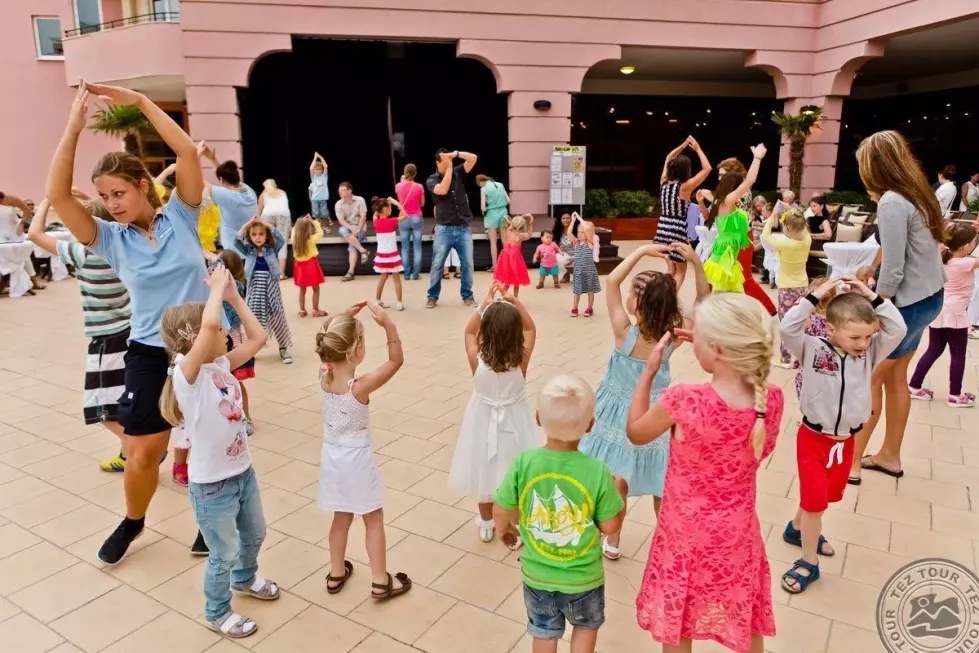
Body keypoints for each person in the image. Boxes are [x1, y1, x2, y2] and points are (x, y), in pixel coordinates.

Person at [46, 82, 211, 564]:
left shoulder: (182, 213)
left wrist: (139, 102)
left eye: (119, 192)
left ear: (144, 186)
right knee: (141, 452)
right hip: (147, 351)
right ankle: (134, 521)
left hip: (203, 344)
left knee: (207, 442)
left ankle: (210, 520)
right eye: (104, 196)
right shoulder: (110, 239)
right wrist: (74, 128)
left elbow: (183, 149)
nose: (112, 203)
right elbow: (57, 194)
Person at [626, 293, 783, 653]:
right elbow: (763, 449)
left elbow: (635, 433)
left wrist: (647, 374)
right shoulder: (770, 399)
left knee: (679, 620)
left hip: (685, 532)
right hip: (738, 532)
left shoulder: (684, 399)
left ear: (716, 351)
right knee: (745, 617)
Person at [158, 267, 280, 638]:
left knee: (256, 533)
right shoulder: (187, 376)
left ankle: (244, 579)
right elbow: (209, 328)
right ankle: (217, 611)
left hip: (243, 472)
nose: (228, 332)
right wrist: (213, 292)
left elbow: (258, 337)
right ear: (196, 339)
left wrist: (233, 298)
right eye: (221, 327)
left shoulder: (220, 365)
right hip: (212, 486)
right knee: (222, 553)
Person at [579, 242, 708, 560]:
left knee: (614, 477)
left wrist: (641, 252)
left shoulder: (624, 331)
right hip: (653, 413)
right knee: (659, 478)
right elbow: (702, 303)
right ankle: (669, 540)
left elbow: (610, 281)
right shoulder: (672, 337)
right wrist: (695, 265)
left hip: (614, 412)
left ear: (637, 305)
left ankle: (611, 536)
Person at [779, 277, 905, 594]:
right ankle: (808, 561)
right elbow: (788, 327)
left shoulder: (871, 354)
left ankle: (797, 529)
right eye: (855, 336)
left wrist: (870, 295)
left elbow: (898, 329)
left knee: (825, 497)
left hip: (845, 442)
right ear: (831, 328)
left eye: (868, 336)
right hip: (812, 440)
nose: (863, 343)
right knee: (815, 503)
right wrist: (815, 295)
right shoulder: (810, 347)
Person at [494, 374, 627, 653]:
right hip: (584, 579)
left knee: (543, 632)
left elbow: (502, 507)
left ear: (538, 418)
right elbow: (610, 526)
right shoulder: (597, 471)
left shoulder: (524, 462)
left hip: (537, 576)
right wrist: (620, 498)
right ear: (590, 425)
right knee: (585, 628)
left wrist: (503, 529)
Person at [850, 131, 946, 484]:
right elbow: (900, 251)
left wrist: (878, 307)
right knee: (894, 378)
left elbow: (894, 267)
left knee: (869, 379)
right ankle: (889, 455)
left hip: (907, 304)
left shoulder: (891, 200)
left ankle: (853, 462)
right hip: (929, 298)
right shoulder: (918, 195)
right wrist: (872, 270)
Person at [27, 198, 135, 472]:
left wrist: (48, 200)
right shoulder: (124, 248)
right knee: (121, 399)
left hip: (106, 341)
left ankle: (137, 448)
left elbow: (34, 234)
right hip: (130, 332)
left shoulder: (82, 254)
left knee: (99, 408)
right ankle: (127, 454)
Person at [316, 303, 413, 600]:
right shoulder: (359, 386)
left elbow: (333, 345)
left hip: (331, 457)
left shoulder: (324, 374)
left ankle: (335, 573)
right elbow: (396, 361)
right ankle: (381, 580)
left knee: (341, 516)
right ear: (355, 352)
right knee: (373, 518)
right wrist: (389, 326)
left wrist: (342, 318)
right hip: (356, 459)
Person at [449, 282, 538, 544]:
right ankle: (514, 523)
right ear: (515, 334)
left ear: (486, 331)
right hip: (515, 422)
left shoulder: (477, 357)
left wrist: (484, 304)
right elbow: (531, 327)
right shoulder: (521, 357)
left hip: (482, 420)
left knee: (483, 470)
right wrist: (514, 301)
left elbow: (468, 332)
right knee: (514, 470)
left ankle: (486, 523)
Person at [698, 147, 777, 317]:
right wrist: (703, 202)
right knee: (718, 278)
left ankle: (768, 309)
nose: (719, 178)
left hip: (739, 240)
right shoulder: (724, 195)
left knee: (741, 278)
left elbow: (748, 182)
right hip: (725, 241)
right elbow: (710, 218)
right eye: (719, 175)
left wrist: (757, 158)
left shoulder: (738, 193)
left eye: (722, 175)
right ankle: (711, 311)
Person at [909, 222, 979, 407]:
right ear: (965, 246)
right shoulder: (965, 262)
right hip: (955, 315)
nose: (975, 244)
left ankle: (915, 386)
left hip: (939, 311)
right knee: (958, 355)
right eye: (974, 242)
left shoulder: (942, 257)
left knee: (933, 350)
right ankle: (955, 396)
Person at [654, 136, 712, 288]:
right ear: (686, 171)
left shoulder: (664, 181)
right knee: (681, 271)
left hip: (662, 228)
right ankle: (668, 301)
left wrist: (683, 144)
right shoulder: (684, 187)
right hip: (677, 230)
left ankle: (659, 297)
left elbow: (668, 157)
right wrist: (698, 149)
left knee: (670, 268)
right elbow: (707, 169)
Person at [234, 217, 294, 364]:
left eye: (261, 234)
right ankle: (252, 348)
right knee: (253, 319)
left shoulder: (272, 249)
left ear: (267, 235)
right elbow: (236, 240)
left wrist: (266, 224)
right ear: (249, 236)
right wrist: (248, 224)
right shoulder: (248, 251)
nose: (258, 237)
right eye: (254, 234)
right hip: (255, 288)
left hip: (271, 287)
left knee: (277, 318)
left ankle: (283, 347)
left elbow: (280, 238)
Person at [426, 148, 478, 309]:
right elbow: (443, 189)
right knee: (437, 264)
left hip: (463, 227)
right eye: (445, 161)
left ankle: (467, 295)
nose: (449, 164)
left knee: (468, 264)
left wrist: (454, 155)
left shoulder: (458, 171)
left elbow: (473, 157)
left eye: (450, 162)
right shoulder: (431, 180)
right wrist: (449, 169)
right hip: (444, 229)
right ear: (437, 163)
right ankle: (432, 296)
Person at [762, 208, 811, 367]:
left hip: (787, 288)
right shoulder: (807, 240)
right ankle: (802, 355)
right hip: (803, 286)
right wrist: (792, 212)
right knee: (802, 320)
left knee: (786, 324)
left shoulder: (785, 243)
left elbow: (765, 235)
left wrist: (772, 216)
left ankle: (787, 359)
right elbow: (802, 229)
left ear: (788, 228)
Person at [215, 250, 255, 434]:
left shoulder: (235, 285)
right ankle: (228, 416)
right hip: (223, 339)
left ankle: (246, 419)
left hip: (235, 340)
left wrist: (214, 260)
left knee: (237, 383)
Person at [199, 147, 257, 251]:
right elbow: (224, 177)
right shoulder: (247, 190)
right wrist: (213, 160)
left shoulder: (230, 197)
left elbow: (199, 182)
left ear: (221, 179)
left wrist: (196, 157)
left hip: (235, 253)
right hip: (251, 250)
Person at [793, 276, 830, 399]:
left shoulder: (807, 318)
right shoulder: (837, 320)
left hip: (808, 364)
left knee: (806, 397)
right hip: (829, 366)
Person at [372, 197, 408, 311]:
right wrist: (397, 202)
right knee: (396, 278)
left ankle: (377, 300)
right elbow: (405, 215)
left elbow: (375, 214)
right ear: (386, 209)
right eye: (390, 207)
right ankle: (399, 303)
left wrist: (380, 204)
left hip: (381, 256)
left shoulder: (376, 222)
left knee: (383, 277)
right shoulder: (392, 221)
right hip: (392, 255)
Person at [291, 215, 326, 318]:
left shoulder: (294, 239)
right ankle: (315, 310)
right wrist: (313, 221)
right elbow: (320, 232)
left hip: (299, 266)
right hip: (311, 265)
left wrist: (299, 223)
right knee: (316, 288)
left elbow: (294, 230)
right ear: (308, 230)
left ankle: (302, 310)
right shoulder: (311, 240)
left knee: (302, 289)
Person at [334, 182, 371, 282]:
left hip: (360, 227)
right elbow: (341, 221)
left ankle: (350, 272)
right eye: (339, 190)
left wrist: (358, 229)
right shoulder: (338, 204)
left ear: (349, 191)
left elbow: (363, 216)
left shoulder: (360, 200)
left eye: (343, 190)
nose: (340, 192)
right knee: (341, 229)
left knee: (352, 246)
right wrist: (351, 228)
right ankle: (363, 250)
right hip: (348, 227)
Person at [395, 163, 425, 280]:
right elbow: (422, 204)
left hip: (403, 217)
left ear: (404, 172)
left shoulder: (398, 186)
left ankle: (407, 275)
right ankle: (416, 274)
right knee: (417, 247)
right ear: (415, 173)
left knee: (405, 247)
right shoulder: (419, 186)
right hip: (416, 217)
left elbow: (400, 201)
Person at [257, 179, 292, 278]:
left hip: (268, 215)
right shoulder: (283, 192)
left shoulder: (263, 195)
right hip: (284, 215)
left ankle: (266, 271)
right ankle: (281, 274)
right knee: (282, 243)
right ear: (275, 185)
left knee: (267, 242)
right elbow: (286, 207)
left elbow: (259, 212)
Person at [493, 214, 532, 296]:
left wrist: (521, 217)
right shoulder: (520, 236)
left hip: (505, 256)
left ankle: (502, 295)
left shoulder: (508, 230)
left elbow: (513, 225)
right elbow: (529, 234)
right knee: (516, 279)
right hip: (515, 258)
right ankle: (515, 297)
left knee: (508, 279)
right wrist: (530, 223)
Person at [477, 174, 510, 271]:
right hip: (504, 212)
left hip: (492, 214)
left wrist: (485, 209)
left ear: (481, 182)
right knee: (505, 240)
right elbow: (508, 200)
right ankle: (508, 264)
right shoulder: (500, 185)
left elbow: (482, 207)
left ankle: (495, 266)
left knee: (493, 242)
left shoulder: (483, 189)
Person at [572, 220, 602, 317]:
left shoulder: (591, 243)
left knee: (590, 291)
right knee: (577, 291)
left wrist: (583, 223)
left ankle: (589, 308)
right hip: (578, 272)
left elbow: (589, 233)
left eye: (583, 232)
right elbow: (569, 233)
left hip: (589, 271)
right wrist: (573, 221)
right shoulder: (576, 243)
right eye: (578, 232)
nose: (580, 235)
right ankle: (575, 308)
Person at [309, 152, 333, 229]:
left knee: (324, 214)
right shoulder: (313, 178)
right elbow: (311, 168)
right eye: (316, 169)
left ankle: (325, 226)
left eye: (319, 169)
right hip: (315, 199)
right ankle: (318, 227)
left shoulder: (324, 177)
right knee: (316, 214)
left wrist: (320, 156)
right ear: (314, 171)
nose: (318, 171)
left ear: (322, 170)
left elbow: (326, 166)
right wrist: (315, 158)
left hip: (323, 198)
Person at [554, 212, 578, 283]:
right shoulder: (557, 232)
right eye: (563, 218)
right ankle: (566, 274)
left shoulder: (577, 230)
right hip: (564, 255)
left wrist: (574, 258)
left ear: (571, 219)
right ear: (560, 220)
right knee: (555, 257)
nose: (566, 220)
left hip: (576, 255)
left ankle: (577, 275)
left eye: (568, 218)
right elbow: (555, 247)